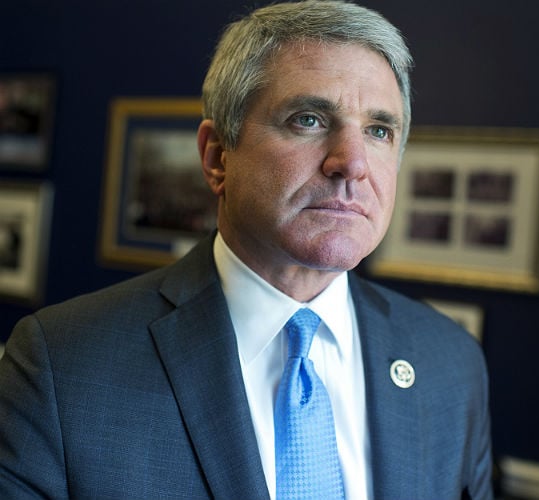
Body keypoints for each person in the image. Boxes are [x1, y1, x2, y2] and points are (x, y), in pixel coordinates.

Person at [0, 1, 493, 498]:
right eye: (308, 119)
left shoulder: (451, 363)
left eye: (379, 131)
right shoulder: (62, 368)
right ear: (217, 157)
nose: (353, 163)